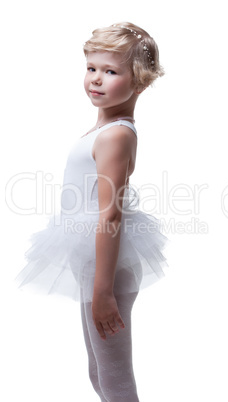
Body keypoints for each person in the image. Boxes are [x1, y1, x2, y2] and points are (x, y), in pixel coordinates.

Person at [15, 22, 168, 401]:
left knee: (114, 377)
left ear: (141, 82)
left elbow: (110, 215)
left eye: (111, 71)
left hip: (107, 268)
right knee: (99, 372)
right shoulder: (102, 131)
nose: (96, 79)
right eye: (92, 68)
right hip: (93, 260)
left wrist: (103, 292)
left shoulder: (116, 134)